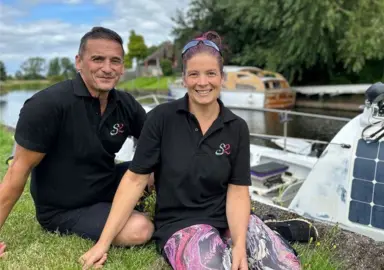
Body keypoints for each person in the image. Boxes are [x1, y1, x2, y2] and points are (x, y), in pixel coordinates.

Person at [79, 31, 302, 270]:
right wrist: (103, 243)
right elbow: (134, 181)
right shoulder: (160, 119)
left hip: (228, 220)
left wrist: (238, 244)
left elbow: (238, 192)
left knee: (286, 266)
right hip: (181, 225)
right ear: (184, 78)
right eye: (194, 74)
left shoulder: (237, 127)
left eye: (211, 73)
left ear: (222, 77)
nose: (202, 82)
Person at [0, 26, 154, 259]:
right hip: (64, 208)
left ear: (122, 67)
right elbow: (16, 173)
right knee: (140, 230)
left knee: (159, 165)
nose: (107, 68)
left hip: (106, 185)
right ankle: (127, 215)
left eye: (115, 61)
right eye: (97, 59)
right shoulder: (47, 105)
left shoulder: (125, 104)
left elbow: (157, 145)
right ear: (79, 62)